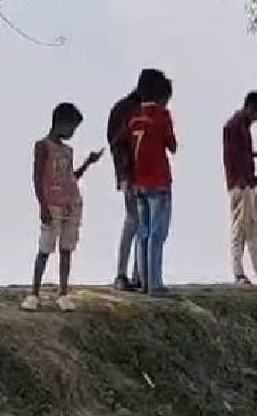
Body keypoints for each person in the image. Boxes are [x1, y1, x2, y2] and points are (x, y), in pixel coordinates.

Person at [21, 103, 102, 311]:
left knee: (66, 249)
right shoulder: (43, 146)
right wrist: (43, 205)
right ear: (61, 123)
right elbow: (38, 177)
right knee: (45, 248)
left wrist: (87, 163)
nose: (72, 132)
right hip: (52, 204)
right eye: (72, 127)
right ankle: (34, 293)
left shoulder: (67, 151)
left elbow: (70, 177)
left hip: (71, 204)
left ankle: (63, 293)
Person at [107, 68, 165, 292]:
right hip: (132, 174)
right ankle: (122, 274)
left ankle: (138, 273)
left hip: (140, 175)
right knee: (134, 220)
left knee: (142, 223)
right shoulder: (128, 110)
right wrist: (124, 175)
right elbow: (118, 145)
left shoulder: (130, 108)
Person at [121, 75, 178, 297]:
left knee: (142, 233)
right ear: (163, 96)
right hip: (159, 181)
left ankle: (144, 282)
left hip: (138, 182)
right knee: (157, 233)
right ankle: (155, 284)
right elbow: (172, 145)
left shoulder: (133, 117)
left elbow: (123, 143)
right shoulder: (162, 115)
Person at [223, 90, 257, 286]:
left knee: (255, 230)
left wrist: (256, 155)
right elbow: (232, 157)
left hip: (247, 183)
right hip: (241, 184)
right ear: (250, 108)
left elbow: (241, 154)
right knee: (240, 230)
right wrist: (243, 180)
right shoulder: (234, 125)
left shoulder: (242, 126)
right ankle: (238, 273)